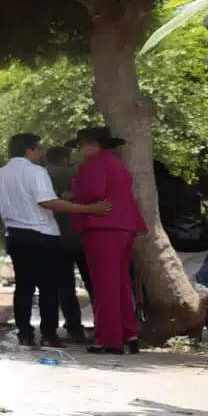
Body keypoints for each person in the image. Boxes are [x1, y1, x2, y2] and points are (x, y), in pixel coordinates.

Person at [0, 134, 112, 348]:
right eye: (39, 149)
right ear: (29, 150)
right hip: (43, 235)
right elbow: (48, 202)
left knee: (24, 287)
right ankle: (48, 335)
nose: (42, 153)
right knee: (48, 287)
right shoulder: (36, 172)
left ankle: (25, 334)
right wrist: (89, 209)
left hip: (16, 236)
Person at [68, 126, 148, 355]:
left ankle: (108, 339)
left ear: (92, 144)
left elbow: (94, 191)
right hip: (124, 227)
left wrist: (73, 192)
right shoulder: (116, 164)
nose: (79, 150)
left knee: (104, 285)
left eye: (80, 145)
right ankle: (128, 333)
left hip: (103, 227)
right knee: (121, 283)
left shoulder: (94, 163)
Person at [45, 145, 92, 342]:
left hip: (57, 238)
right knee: (93, 283)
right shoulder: (80, 172)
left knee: (65, 286)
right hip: (84, 236)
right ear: (65, 159)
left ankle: (74, 328)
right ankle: (107, 325)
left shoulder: (43, 176)